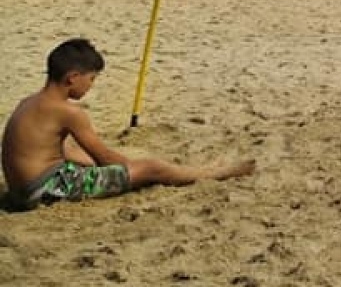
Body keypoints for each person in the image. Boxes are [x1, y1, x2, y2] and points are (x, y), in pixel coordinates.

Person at [3, 38, 255, 211]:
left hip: (23, 188)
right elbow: (106, 159)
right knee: (150, 167)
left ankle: (186, 169)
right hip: (45, 190)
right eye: (91, 79)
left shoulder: (31, 102)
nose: (91, 86)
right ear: (73, 78)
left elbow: (60, 152)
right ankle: (213, 173)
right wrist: (134, 169)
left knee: (72, 152)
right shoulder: (68, 111)